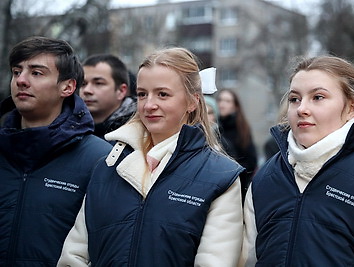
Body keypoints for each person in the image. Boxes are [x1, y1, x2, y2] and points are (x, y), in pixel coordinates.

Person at [58, 47, 245, 266]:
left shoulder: (220, 176)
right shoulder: (108, 165)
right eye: (142, 94)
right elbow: (75, 255)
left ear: (193, 101)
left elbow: (215, 261)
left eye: (163, 94)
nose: (149, 105)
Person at [240, 55, 354, 266]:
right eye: (294, 99)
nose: (302, 109)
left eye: (318, 97)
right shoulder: (267, 176)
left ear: (351, 107)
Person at [0, 36, 112, 266]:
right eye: (16, 71)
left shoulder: (100, 159)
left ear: (68, 87)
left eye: (36, 73)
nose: (21, 80)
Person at [80, 54, 137, 139]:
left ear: (121, 91)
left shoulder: (139, 132)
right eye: (83, 84)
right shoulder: (68, 130)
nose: (87, 90)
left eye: (98, 83)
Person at [217, 88, 258, 201]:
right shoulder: (214, 127)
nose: (222, 104)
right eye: (220, 100)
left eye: (227, 101)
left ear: (235, 106)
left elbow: (251, 161)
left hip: (236, 186)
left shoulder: (242, 129)